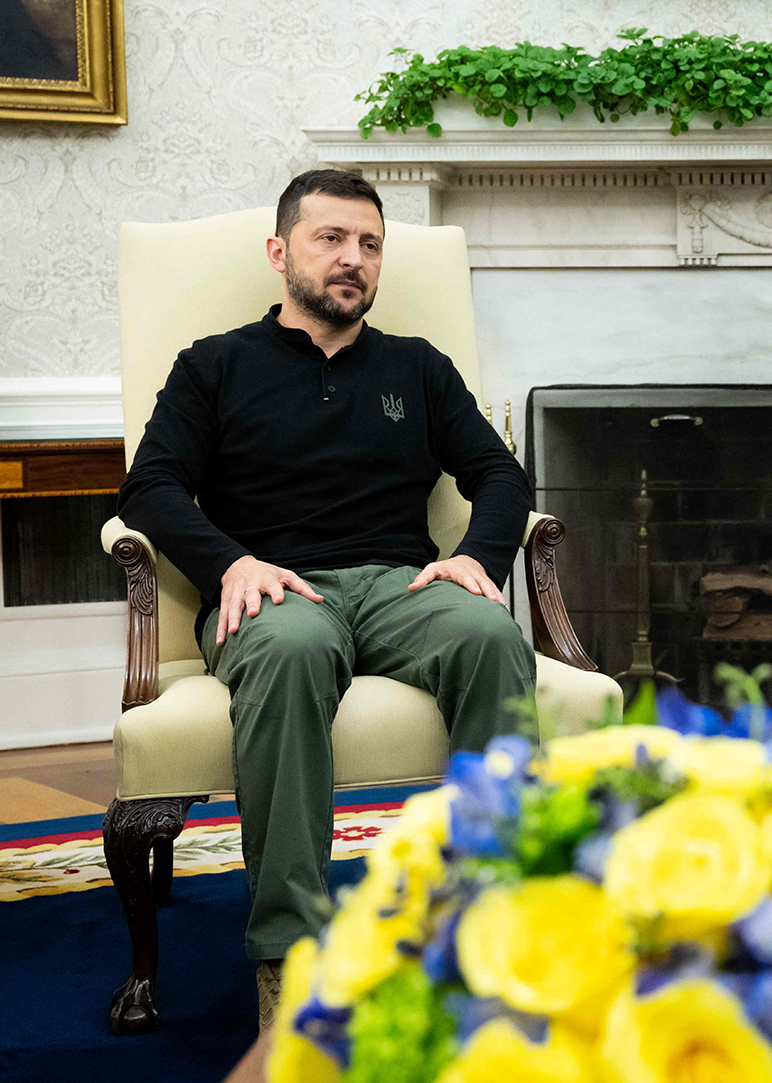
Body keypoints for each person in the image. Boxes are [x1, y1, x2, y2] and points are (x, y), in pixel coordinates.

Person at [117, 169, 537, 1029]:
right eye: (332, 238)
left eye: (370, 244)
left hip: (399, 585)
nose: (354, 258)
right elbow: (149, 484)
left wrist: (477, 558)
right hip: (272, 587)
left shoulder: (417, 367)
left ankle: (481, 923)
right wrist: (230, 563)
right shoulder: (214, 365)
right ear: (281, 252)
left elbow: (500, 473)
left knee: (491, 635)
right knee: (293, 646)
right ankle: (291, 949)